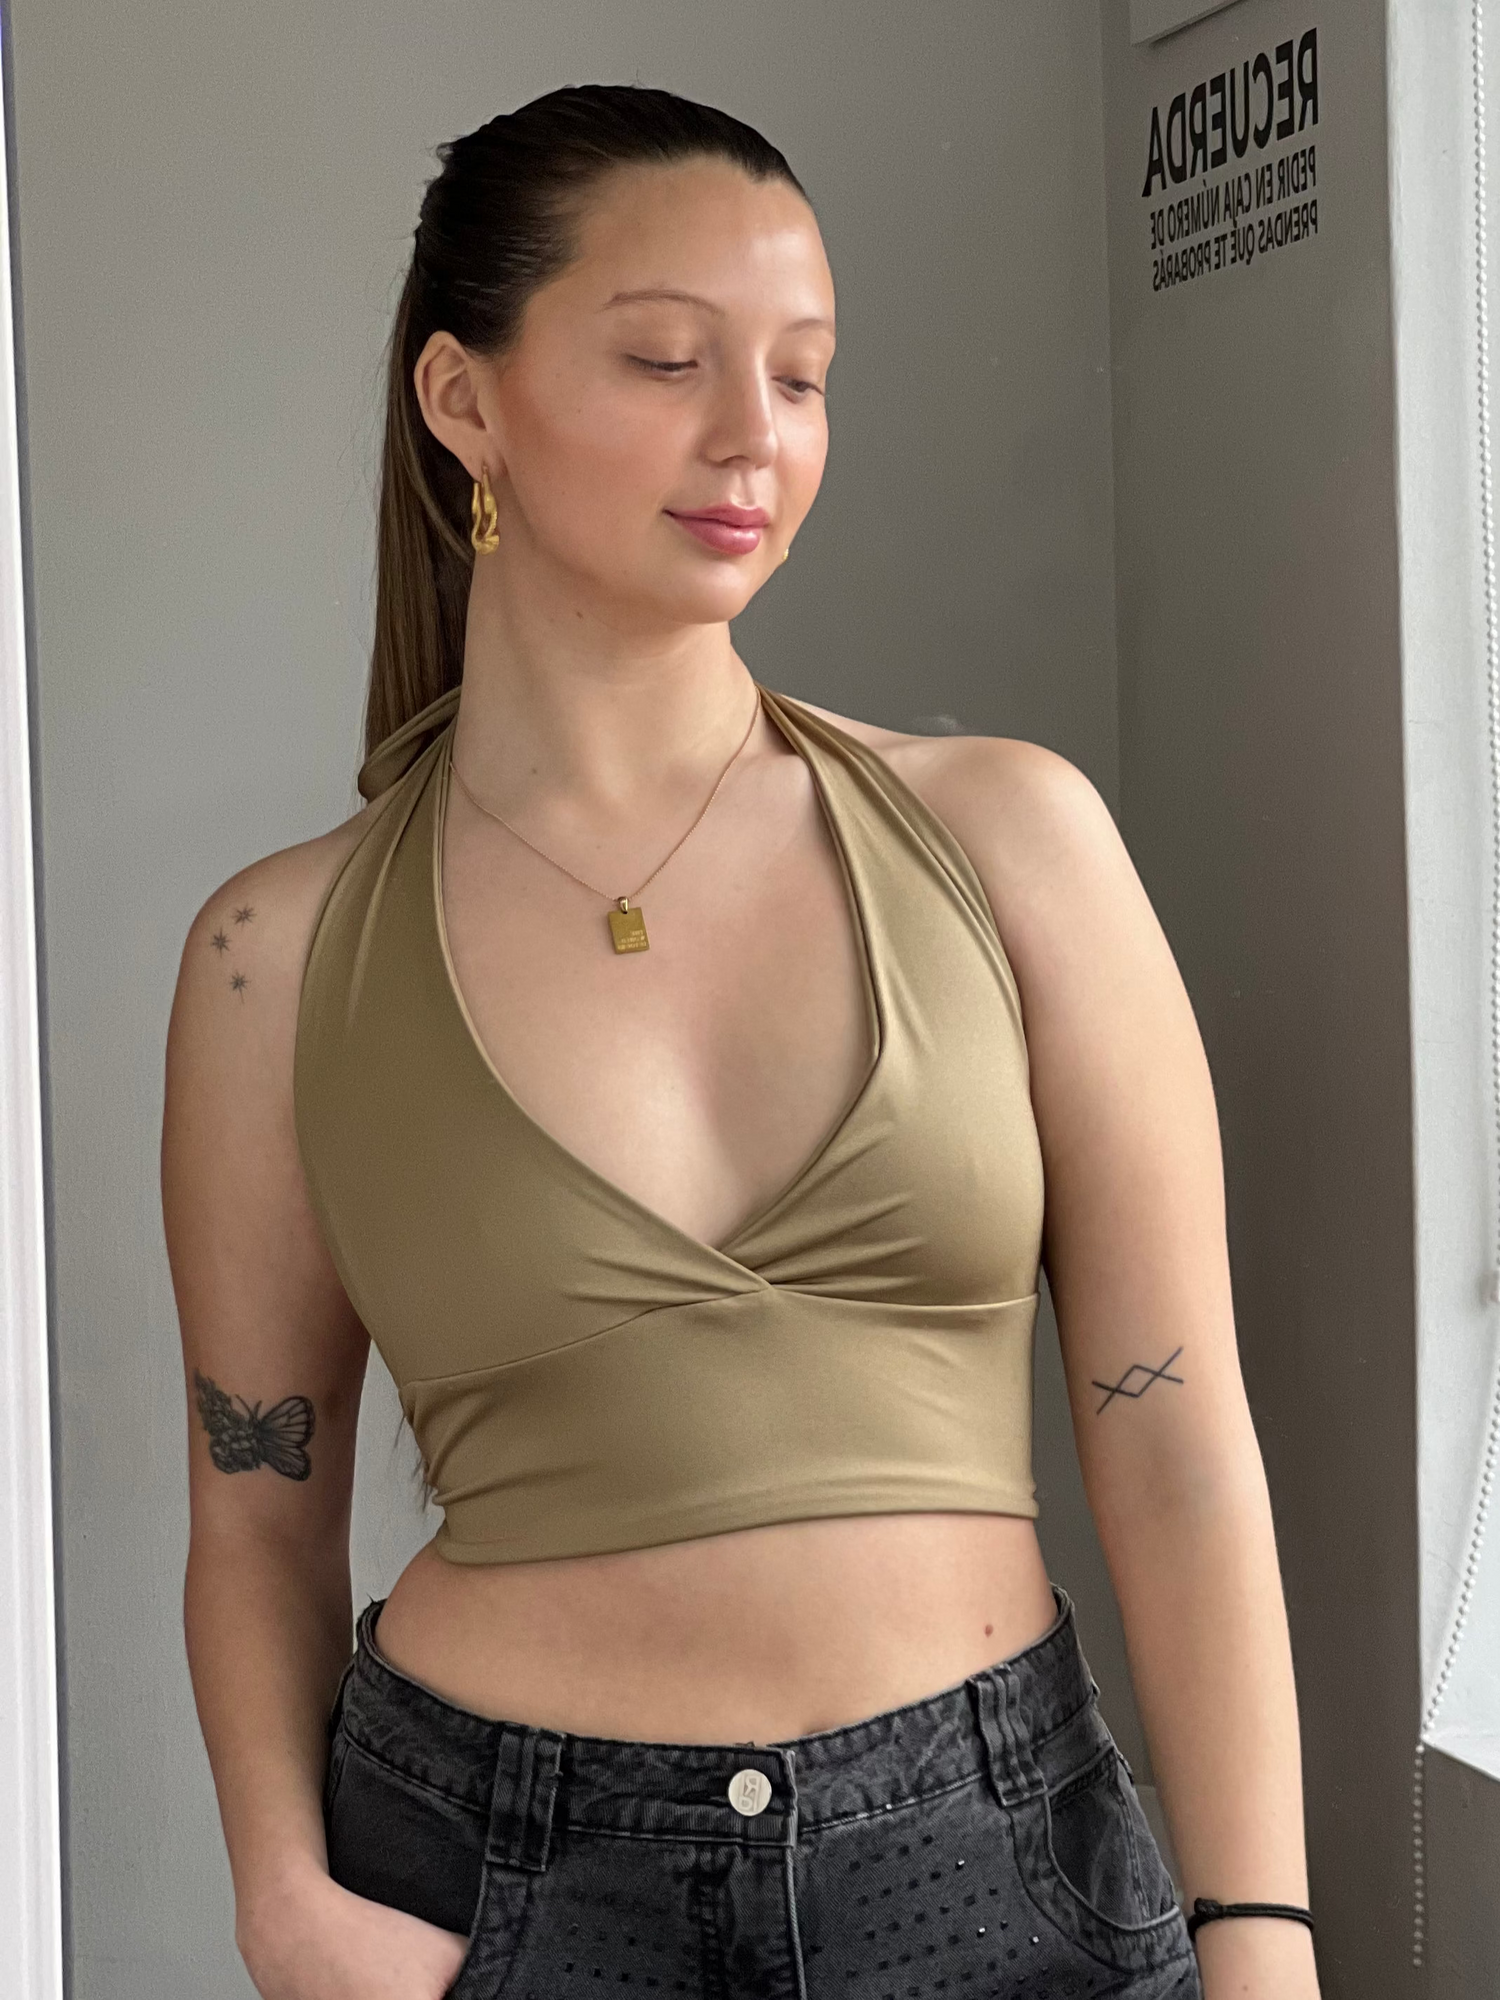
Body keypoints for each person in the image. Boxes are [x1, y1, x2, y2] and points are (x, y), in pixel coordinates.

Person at [161, 84, 1320, 2000]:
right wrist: (283, 1904)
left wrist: (1261, 1937)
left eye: (801, 376)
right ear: (463, 399)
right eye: (666, 360)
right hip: (494, 1891)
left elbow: (1178, 1436)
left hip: (995, 1879)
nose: (751, 438)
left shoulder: (1012, 839)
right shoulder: (273, 959)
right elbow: (256, 1515)